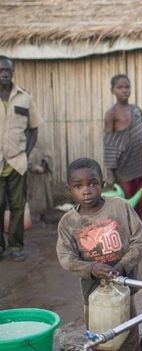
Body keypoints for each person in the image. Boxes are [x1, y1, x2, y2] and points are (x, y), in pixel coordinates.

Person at [56, 158, 142, 351]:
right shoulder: (69, 222)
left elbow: (140, 239)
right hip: (92, 293)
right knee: (99, 339)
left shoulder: (119, 207)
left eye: (92, 184)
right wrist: (91, 268)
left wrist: (122, 266)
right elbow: (66, 257)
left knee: (129, 333)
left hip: (124, 286)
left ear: (102, 184)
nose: (87, 190)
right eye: (78, 186)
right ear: (69, 189)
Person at [0, 55, 42, 261]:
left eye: (8, 71)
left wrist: (25, 153)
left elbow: (34, 129)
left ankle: (16, 246)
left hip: (17, 161)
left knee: (17, 206)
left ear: (13, 72)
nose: (5, 74)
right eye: (1, 71)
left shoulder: (25, 97)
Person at [103, 74, 142, 218]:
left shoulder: (136, 110)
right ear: (112, 91)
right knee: (126, 204)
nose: (124, 90)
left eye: (127, 87)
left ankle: (139, 234)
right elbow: (109, 143)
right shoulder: (111, 114)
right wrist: (110, 172)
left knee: (141, 203)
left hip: (141, 164)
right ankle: (127, 235)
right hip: (124, 167)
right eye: (120, 87)